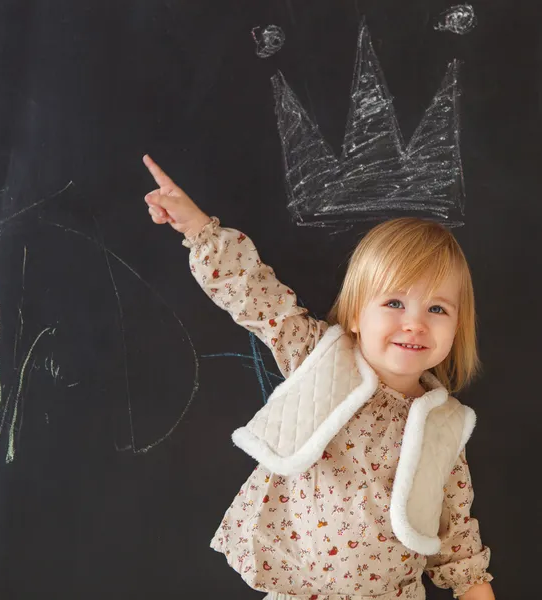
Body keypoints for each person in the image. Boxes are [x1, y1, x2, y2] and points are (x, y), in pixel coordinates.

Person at [142, 154, 494, 600]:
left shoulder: (444, 426)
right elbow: (256, 295)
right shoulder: (320, 357)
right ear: (355, 315)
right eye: (394, 303)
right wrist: (198, 230)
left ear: (456, 329)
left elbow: (456, 540)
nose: (414, 323)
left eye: (437, 309)